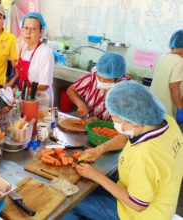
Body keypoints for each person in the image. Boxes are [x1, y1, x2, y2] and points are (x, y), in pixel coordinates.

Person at [63, 81, 183, 220]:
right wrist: (100, 149)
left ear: (130, 121)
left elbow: (138, 204)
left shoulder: (145, 154)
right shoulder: (166, 122)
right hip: (161, 204)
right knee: (87, 186)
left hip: (138, 214)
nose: (113, 121)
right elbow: (127, 137)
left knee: (71, 202)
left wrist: (95, 175)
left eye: (114, 117)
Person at [66, 52, 129, 121]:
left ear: (119, 78)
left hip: (110, 128)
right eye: (99, 77)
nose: (101, 81)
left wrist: (99, 123)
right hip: (88, 120)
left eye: (107, 80)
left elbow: (128, 120)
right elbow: (71, 90)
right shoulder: (92, 77)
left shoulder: (127, 89)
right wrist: (81, 105)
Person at [16, 12, 54, 103]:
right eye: (25, 28)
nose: (28, 32)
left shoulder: (45, 53)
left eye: (33, 29)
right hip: (24, 98)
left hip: (39, 102)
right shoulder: (24, 47)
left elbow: (44, 85)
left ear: (41, 32)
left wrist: (22, 92)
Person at [150, 29, 183, 124]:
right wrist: (180, 108)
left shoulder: (163, 57)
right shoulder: (179, 62)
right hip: (167, 110)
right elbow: (174, 86)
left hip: (154, 105)